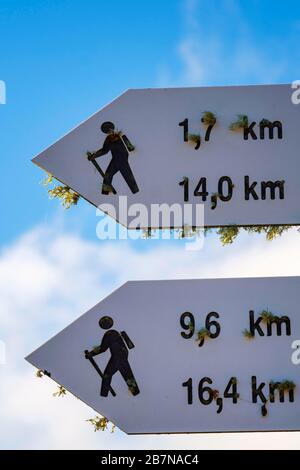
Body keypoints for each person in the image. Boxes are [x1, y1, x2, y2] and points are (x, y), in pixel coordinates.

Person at [85, 316, 140, 397]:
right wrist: (91, 354)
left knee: (108, 374)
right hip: (123, 355)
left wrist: (91, 354)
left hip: (117, 355)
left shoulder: (109, 334)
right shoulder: (115, 333)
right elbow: (130, 345)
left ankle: (104, 394)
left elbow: (102, 348)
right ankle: (135, 391)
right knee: (127, 373)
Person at [88, 121, 139, 195]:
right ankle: (105, 192)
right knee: (109, 175)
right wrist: (93, 156)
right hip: (116, 159)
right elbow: (104, 150)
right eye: (107, 130)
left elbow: (130, 148)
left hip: (122, 159)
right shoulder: (109, 139)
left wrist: (129, 146)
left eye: (110, 129)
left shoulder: (121, 136)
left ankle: (106, 192)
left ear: (113, 128)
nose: (110, 131)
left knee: (127, 176)